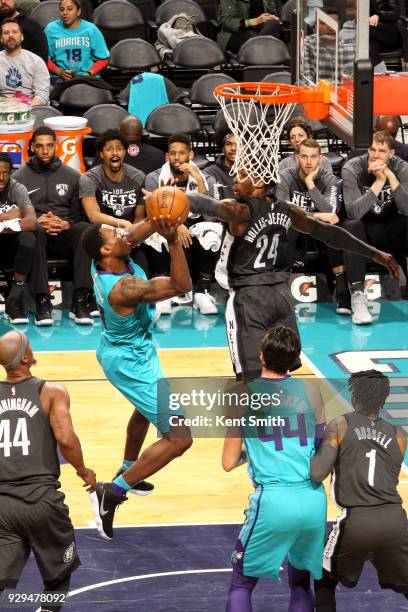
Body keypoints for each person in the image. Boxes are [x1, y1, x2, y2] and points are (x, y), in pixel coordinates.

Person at [142, 172, 399, 382]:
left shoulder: (241, 212)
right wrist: (373, 253)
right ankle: (278, 434)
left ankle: (250, 441)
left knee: (250, 379)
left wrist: (176, 196)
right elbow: (329, 234)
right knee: (279, 374)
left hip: (249, 299)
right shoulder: (288, 210)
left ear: (260, 181)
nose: (234, 179)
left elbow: (206, 204)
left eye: (242, 175)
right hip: (281, 297)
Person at [82, 217, 193, 540]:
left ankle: (128, 467)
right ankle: (112, 492)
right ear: (105, 249)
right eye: (114, 233)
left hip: (132, 350)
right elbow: (180, 286)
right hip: (129, 362)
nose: (122, 232)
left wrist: (162, 216)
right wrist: (172, 239)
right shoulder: (124, 288)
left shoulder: (110, 256)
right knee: (180, 437)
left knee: (146, 410)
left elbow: (134, 233)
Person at [223, 325, 327, 612]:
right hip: (313, 500)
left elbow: (228, 462)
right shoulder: (312, 391)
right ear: (295, 359)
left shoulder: (241, 395)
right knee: (301, 583)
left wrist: (252, 452)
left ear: (261, 357)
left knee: (242, 585)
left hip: (273, 501)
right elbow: (321, 447)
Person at [0, 330, 96, 612]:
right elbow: (66, 440)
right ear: (26, 358)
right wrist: (83, 471)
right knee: (59, 574)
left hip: (2, 503)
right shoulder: (51, 392)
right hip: (41, 499)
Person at [310, 369, 408, 610]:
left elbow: (316, 473)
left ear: (355, 397)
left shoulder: (340, 425)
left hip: (357, 520)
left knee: (324, 580)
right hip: (395, 521)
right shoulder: (400, 435)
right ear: (383, 400)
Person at [14, 126, 95, 326]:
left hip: (63, 235)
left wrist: (66, 223)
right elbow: (17, 214)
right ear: (32, 147)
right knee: (36, 231)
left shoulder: (73, 176)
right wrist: (36, 221)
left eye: (49, 146)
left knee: (85, 229)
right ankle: (42, 301)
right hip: (37, 236)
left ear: (56, 147)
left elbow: (79, 215)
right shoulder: (19, 179)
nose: (45, 151)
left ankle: (80, 300)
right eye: (40, 146)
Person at [145, 133, 220, 316]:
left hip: (195, 229)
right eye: (173, 153)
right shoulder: (155, 178)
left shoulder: (205, 178)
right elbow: (154, 213)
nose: (177, 158)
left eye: (182, 153)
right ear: (166, 156)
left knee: (212, 232)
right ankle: (163, 293)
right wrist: (177, 225)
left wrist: (198, 179)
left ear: (191, 155)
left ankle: (203, 292)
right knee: (157, 233)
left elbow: (212, 212)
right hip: (167, 224)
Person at [277, 138, 351, 316]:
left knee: (331, 229)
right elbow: (283, 210)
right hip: (296, 230)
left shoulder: (330, 179)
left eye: (313, 157)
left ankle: (343, 293)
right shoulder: (286, 176)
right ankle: (282, 295)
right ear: (296, 158)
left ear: (321, 159)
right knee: (291, 226)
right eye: (304, 156)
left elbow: (331, 213)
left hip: (319, 232)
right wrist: (315, 214)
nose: (309, 162)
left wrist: (310, 183)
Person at [341, 130, 408, 324]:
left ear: (392, 154)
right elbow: (354, 212)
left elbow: (406, 209)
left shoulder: (401, 167)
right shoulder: (352, 167)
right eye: (372, 149)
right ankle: (358, 297)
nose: (375, 155)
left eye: (381, 151)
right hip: (364, 231)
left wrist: (391, 178)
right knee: (350, 225)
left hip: (390, 228)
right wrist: (379, 182)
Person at [79, 128, 148, 274]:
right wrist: (121, 223)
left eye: (119, 149)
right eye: (109, 149)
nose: (115, 153)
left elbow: (139, 217)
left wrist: (131, 237)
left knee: (142, 264)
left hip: (130, 233)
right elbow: (93, 216)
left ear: (124, 152)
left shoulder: (138, 177)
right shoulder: (90, 178)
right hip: (103, 235)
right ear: (102, 154)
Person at [0, 152, 37, 325]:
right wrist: (4, 217)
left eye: (5, 172)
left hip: (11, 243)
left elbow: (31, 222)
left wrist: (6, 227)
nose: (1, 177)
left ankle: (13, 299)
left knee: (29, 238)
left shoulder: (17, 188)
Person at [45, 0, 109, 81]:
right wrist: (59, 72)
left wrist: (88, 73)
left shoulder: (91, 29)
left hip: (87, 76)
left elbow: (103, 59)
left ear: (78, 11)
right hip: (59, 77)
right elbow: (43, 58)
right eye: (62, 9)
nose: (65, 13)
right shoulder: (51, 29)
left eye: (70, 9)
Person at [91, 116, 165, 175]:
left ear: (120, 132)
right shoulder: (159, 154)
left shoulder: (105, 153)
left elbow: (93, 177)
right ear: (143, 133)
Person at [0, 18, 49, 104]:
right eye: (6, 33)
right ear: (1, 38)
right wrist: (6, 102)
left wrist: (23, 108)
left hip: (32, 108)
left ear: (22, 37)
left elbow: (42, 95)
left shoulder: (36, 61)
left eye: (15, 32)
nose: (10, 35)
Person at [217, 0, 282, 54]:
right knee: (262, 41)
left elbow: (271, 11)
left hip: (262, 30)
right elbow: (228, 21)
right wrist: (254, 21)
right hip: (235, 32)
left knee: (274, 23)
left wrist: (272, 17)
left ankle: (260, 55)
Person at [369, 0, 402, 73]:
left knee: (367, 28)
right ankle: (382, 76)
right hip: (374, 34)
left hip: (392, 31)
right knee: (370, 49)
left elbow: (396, 14)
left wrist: (378, 15)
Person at [205, 129, 237, 200]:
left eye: (238, 144)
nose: (233, 148)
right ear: (222, 149)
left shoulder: (253, 172)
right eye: (228, 144)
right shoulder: (210, 173)